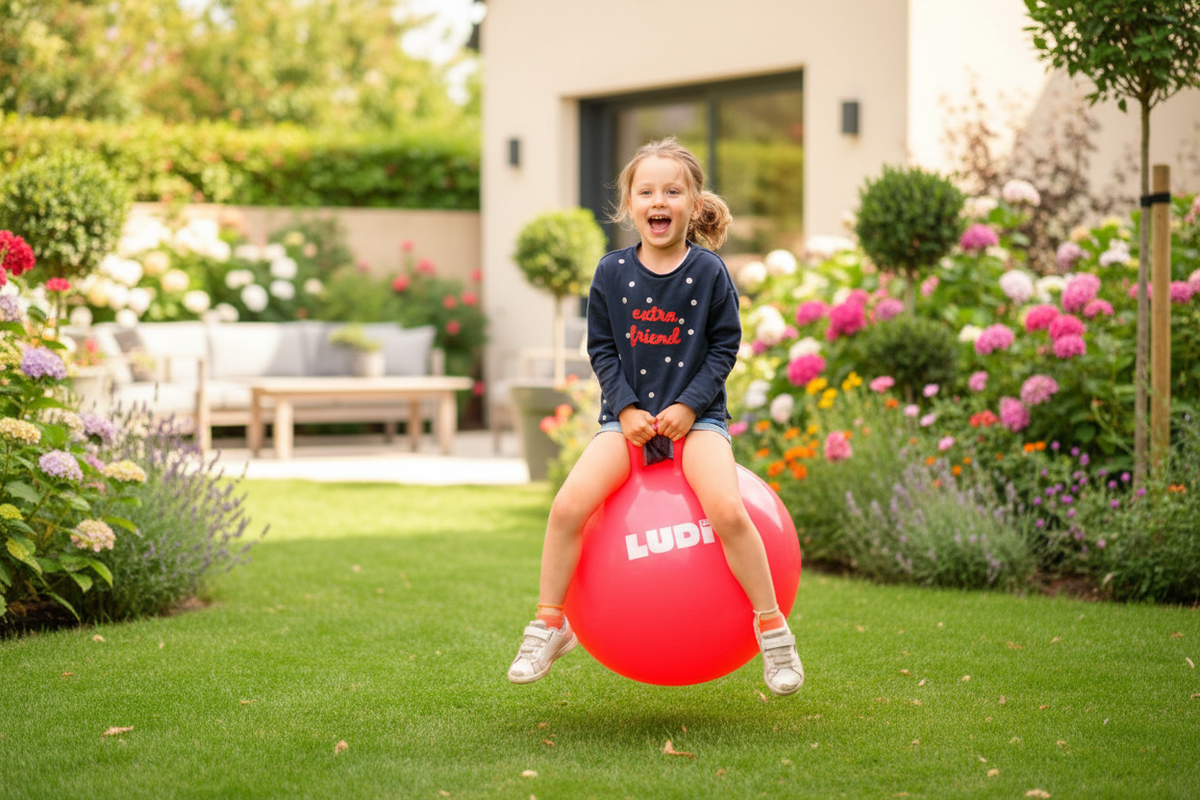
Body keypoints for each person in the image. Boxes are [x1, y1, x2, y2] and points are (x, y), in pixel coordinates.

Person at [507, 137, 804, 696]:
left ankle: (771, 628)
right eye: (646, 191)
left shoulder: (711, 273)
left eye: (672, 190)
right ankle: (549, 623)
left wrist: (689, 407)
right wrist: (625, 409)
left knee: (728, 511)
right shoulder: (611, 272)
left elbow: (724, 348)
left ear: (693, 204)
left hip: (699, 423)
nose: (658, 200)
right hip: (626, 423)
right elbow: (601, 349)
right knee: (568, 505)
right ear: (630, 204)